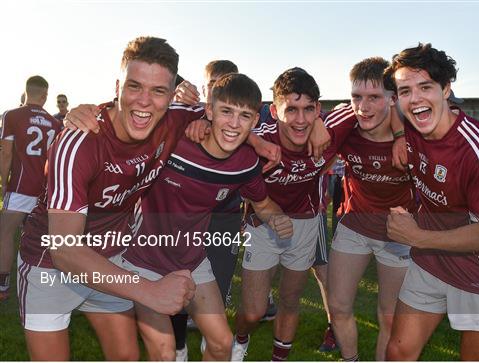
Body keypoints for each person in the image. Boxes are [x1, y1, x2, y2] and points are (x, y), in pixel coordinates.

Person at [17, 36, 199, 360]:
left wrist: (311, 129)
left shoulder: (174, 123)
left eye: (158, 91)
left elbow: (228, 118)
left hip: (111, 259)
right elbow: (66, 251)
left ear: (172, 97)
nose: (144, 101)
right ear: (117, 86)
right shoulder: (80, 141)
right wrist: (150, 291)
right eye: (134, 86)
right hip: (50, 267)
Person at [118, 73, 293, 361]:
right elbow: (132, 114)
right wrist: (87, 112)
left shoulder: (246, 163)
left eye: (245, 116)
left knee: (222, 344)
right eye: (226, 112)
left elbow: (263, 204)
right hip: (142, 260)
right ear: (209, 111)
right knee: (164, 353)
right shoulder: (174, 139)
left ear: (254, 123)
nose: (234, 124)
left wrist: (278, 219)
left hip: (192, 261)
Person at [384, 43, 479, 361]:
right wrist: (399, 137)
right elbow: (382, 110)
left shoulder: (478, 149)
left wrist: (415, 237)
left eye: (425, 87)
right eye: (405, 91)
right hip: (429, 262)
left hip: (476, 270)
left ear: (446, 88)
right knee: (397, 353)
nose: (414, 99)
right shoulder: (410, 126)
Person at [231, 67, 353, 361]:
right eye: (291, 109)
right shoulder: (258, 139)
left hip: (306, 224)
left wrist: (322, 123)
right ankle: (240, 340)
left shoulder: (328, 133)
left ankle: (278, 358)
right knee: (253, 310)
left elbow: (373, 107)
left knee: (290, 298)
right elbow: (212, 122)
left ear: (318, 109)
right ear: (273, 110)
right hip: (262, 225)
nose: (300, 120)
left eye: (308, 109)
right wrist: (253, 140)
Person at [325, 57, 415, 361]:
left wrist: (401, 134)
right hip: (355, 226)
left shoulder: (415, 135)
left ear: (392, 98)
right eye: (356, 97)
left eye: (373, 97)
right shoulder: (345, 129)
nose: (362, 106)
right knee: (337, 307)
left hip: (398, 233)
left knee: (389, 317)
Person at [0, 76, 62, 301]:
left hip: (19, 186)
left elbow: (5, 153)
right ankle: (44, 285)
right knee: (39, 239)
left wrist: (3, 182)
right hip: (44, 190)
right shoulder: (56, 123)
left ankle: (3, 285)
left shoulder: (12, 115)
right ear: (45, 95)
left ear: (26, 92)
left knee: (5, 234)